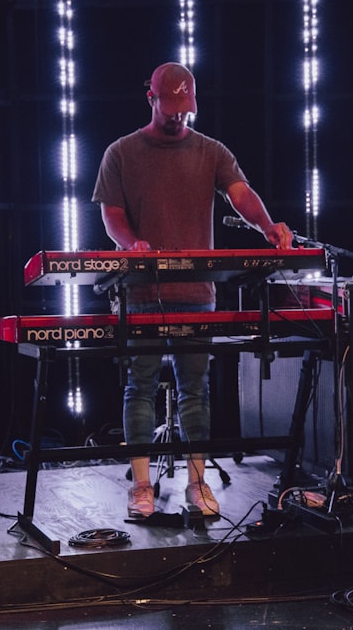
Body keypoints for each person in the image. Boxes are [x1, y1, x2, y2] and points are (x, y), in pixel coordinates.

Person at [92, 62, 295, 519]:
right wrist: (132, 244)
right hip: (142, 294)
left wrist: (266, 225)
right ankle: (141, 487)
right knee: (139, 387)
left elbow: (240, 192)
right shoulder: (121, 152)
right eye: (171, 109)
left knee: (196, 390)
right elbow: (112, 214)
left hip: (197, 292)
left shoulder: (211, 151)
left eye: (186, 110)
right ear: (151, 99)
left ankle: (198, 483)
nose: (179, 118)